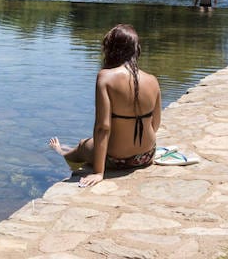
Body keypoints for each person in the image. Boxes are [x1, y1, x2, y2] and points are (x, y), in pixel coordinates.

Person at [48, 24, 162, 187]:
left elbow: (103, 127)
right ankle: (64, 149)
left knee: (83, 145)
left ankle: (62, 151)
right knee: (90, 143)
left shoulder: (105, 77)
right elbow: (155, 124)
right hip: (146, 156)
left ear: (110, 49)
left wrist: (99, 172)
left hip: (116, 159)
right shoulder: (152, 80)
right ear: (136, 50)